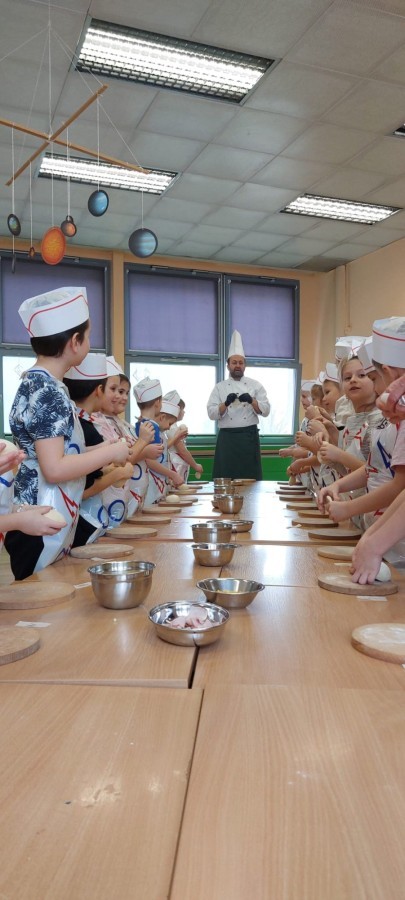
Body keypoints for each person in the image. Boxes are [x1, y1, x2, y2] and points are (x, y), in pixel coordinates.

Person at [4, 287, 129, 580]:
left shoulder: (36, 382)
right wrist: (111, 453)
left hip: (42, 509)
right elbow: (55, 467)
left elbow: (58, 452)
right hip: (41, 515)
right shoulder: (49, 391)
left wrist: (101, 449)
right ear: (75, 342)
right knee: (42, 595)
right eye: (88, 335)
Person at [207, 330, 270, 479]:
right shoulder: (219, 387)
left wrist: (252, 400)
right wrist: (226, 403)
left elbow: (266, 410)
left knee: (250, 479)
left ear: (245, 366)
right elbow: (211, 413)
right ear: (228, 365)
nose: (237, 366)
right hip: (227, 439)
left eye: (241, 363)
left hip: (249, 438)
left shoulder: (255, 385)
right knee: (226, 477)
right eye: (234, 362)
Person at [165, 390, 203, 482]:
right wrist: (195, 466)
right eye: (182, 409)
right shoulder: (172, 428)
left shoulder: (173, 427)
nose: (184, 412)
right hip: (175, 465)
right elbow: (182, 451)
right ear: (176, 410)